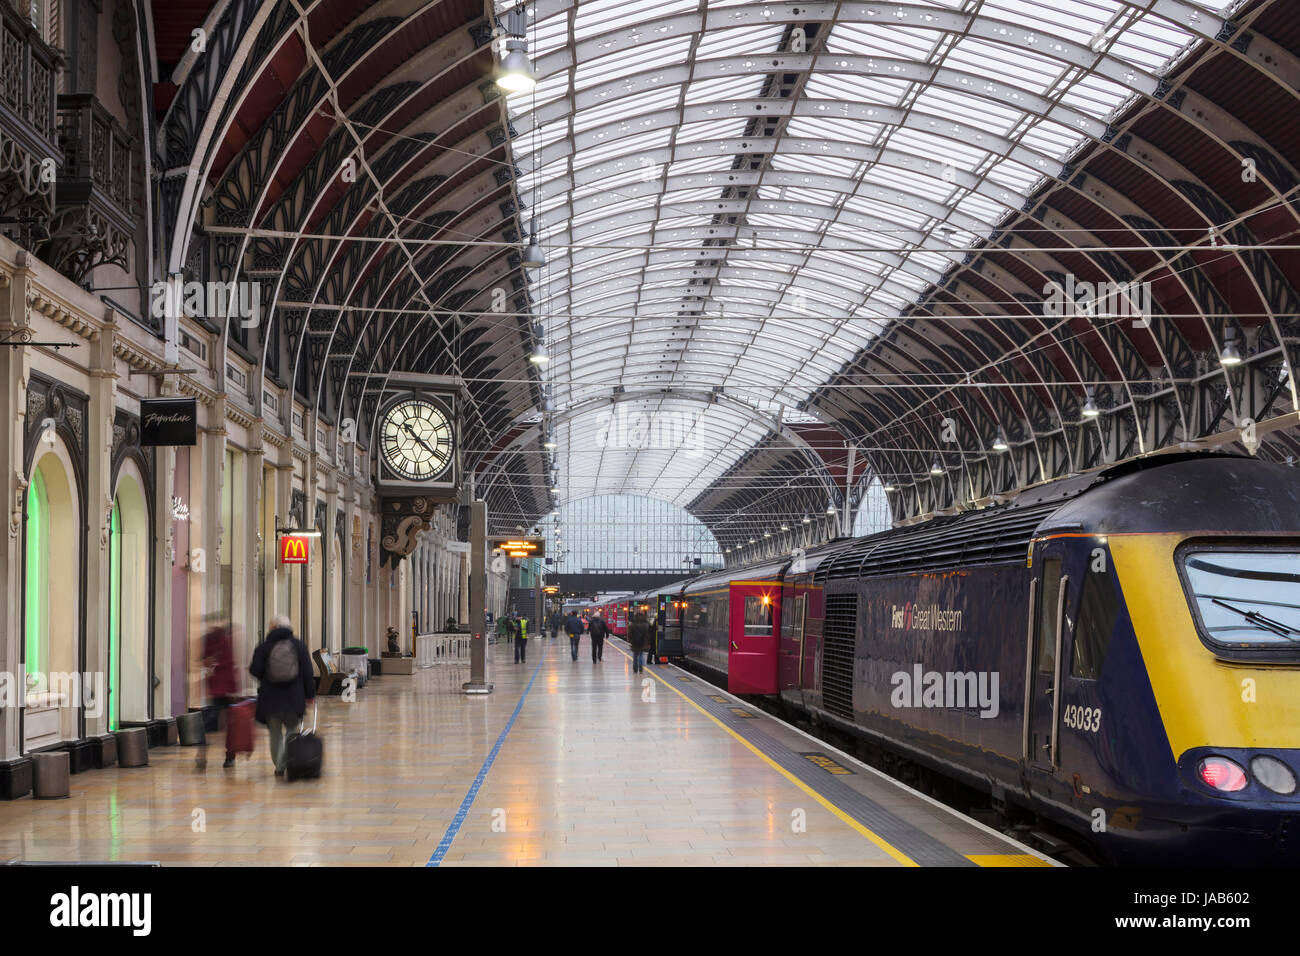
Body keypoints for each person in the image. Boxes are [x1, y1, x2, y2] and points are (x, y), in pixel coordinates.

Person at [248, 615, 316, 777]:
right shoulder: (299, 646)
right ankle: (288, 760)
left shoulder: (264, 647)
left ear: (272, 628)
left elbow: (254, 670)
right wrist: (310, 695)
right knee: (292, 731)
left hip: (271, 699)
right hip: (294, 697)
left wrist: (266, 676)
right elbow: (308, 672)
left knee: (275, 733)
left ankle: (279, 766)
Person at [197, 616, 238, 770]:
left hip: (216, 688)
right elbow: (231, 665)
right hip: (225, 689)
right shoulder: (225, 640)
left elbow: (204, 661)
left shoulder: (209, 640)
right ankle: (229, 756)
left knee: (210, 724)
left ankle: (202, 754)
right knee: (229, 725)